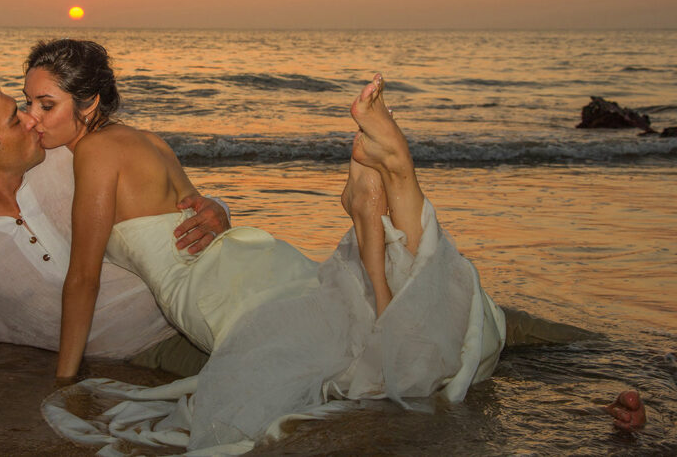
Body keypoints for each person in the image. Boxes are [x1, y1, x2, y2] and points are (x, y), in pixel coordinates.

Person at [25, 40, 505, 453]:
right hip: (257, 258)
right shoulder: (150, 141)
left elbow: (83, 278)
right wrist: (221, 209)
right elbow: (199, 212)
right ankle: (391, 191)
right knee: (360, 318)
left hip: (213, 291)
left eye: (47, 105)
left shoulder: (95, 152)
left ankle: (378, 203)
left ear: (89, 104)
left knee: (350, 357)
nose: (33, 118)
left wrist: (65, 379)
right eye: (28, 104)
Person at [0, 66, 231, 378]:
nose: (33, 119)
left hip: (193, 318)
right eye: (15, 119)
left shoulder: (76, 157)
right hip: (119, 365)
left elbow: (165, 184)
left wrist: (215, 208)